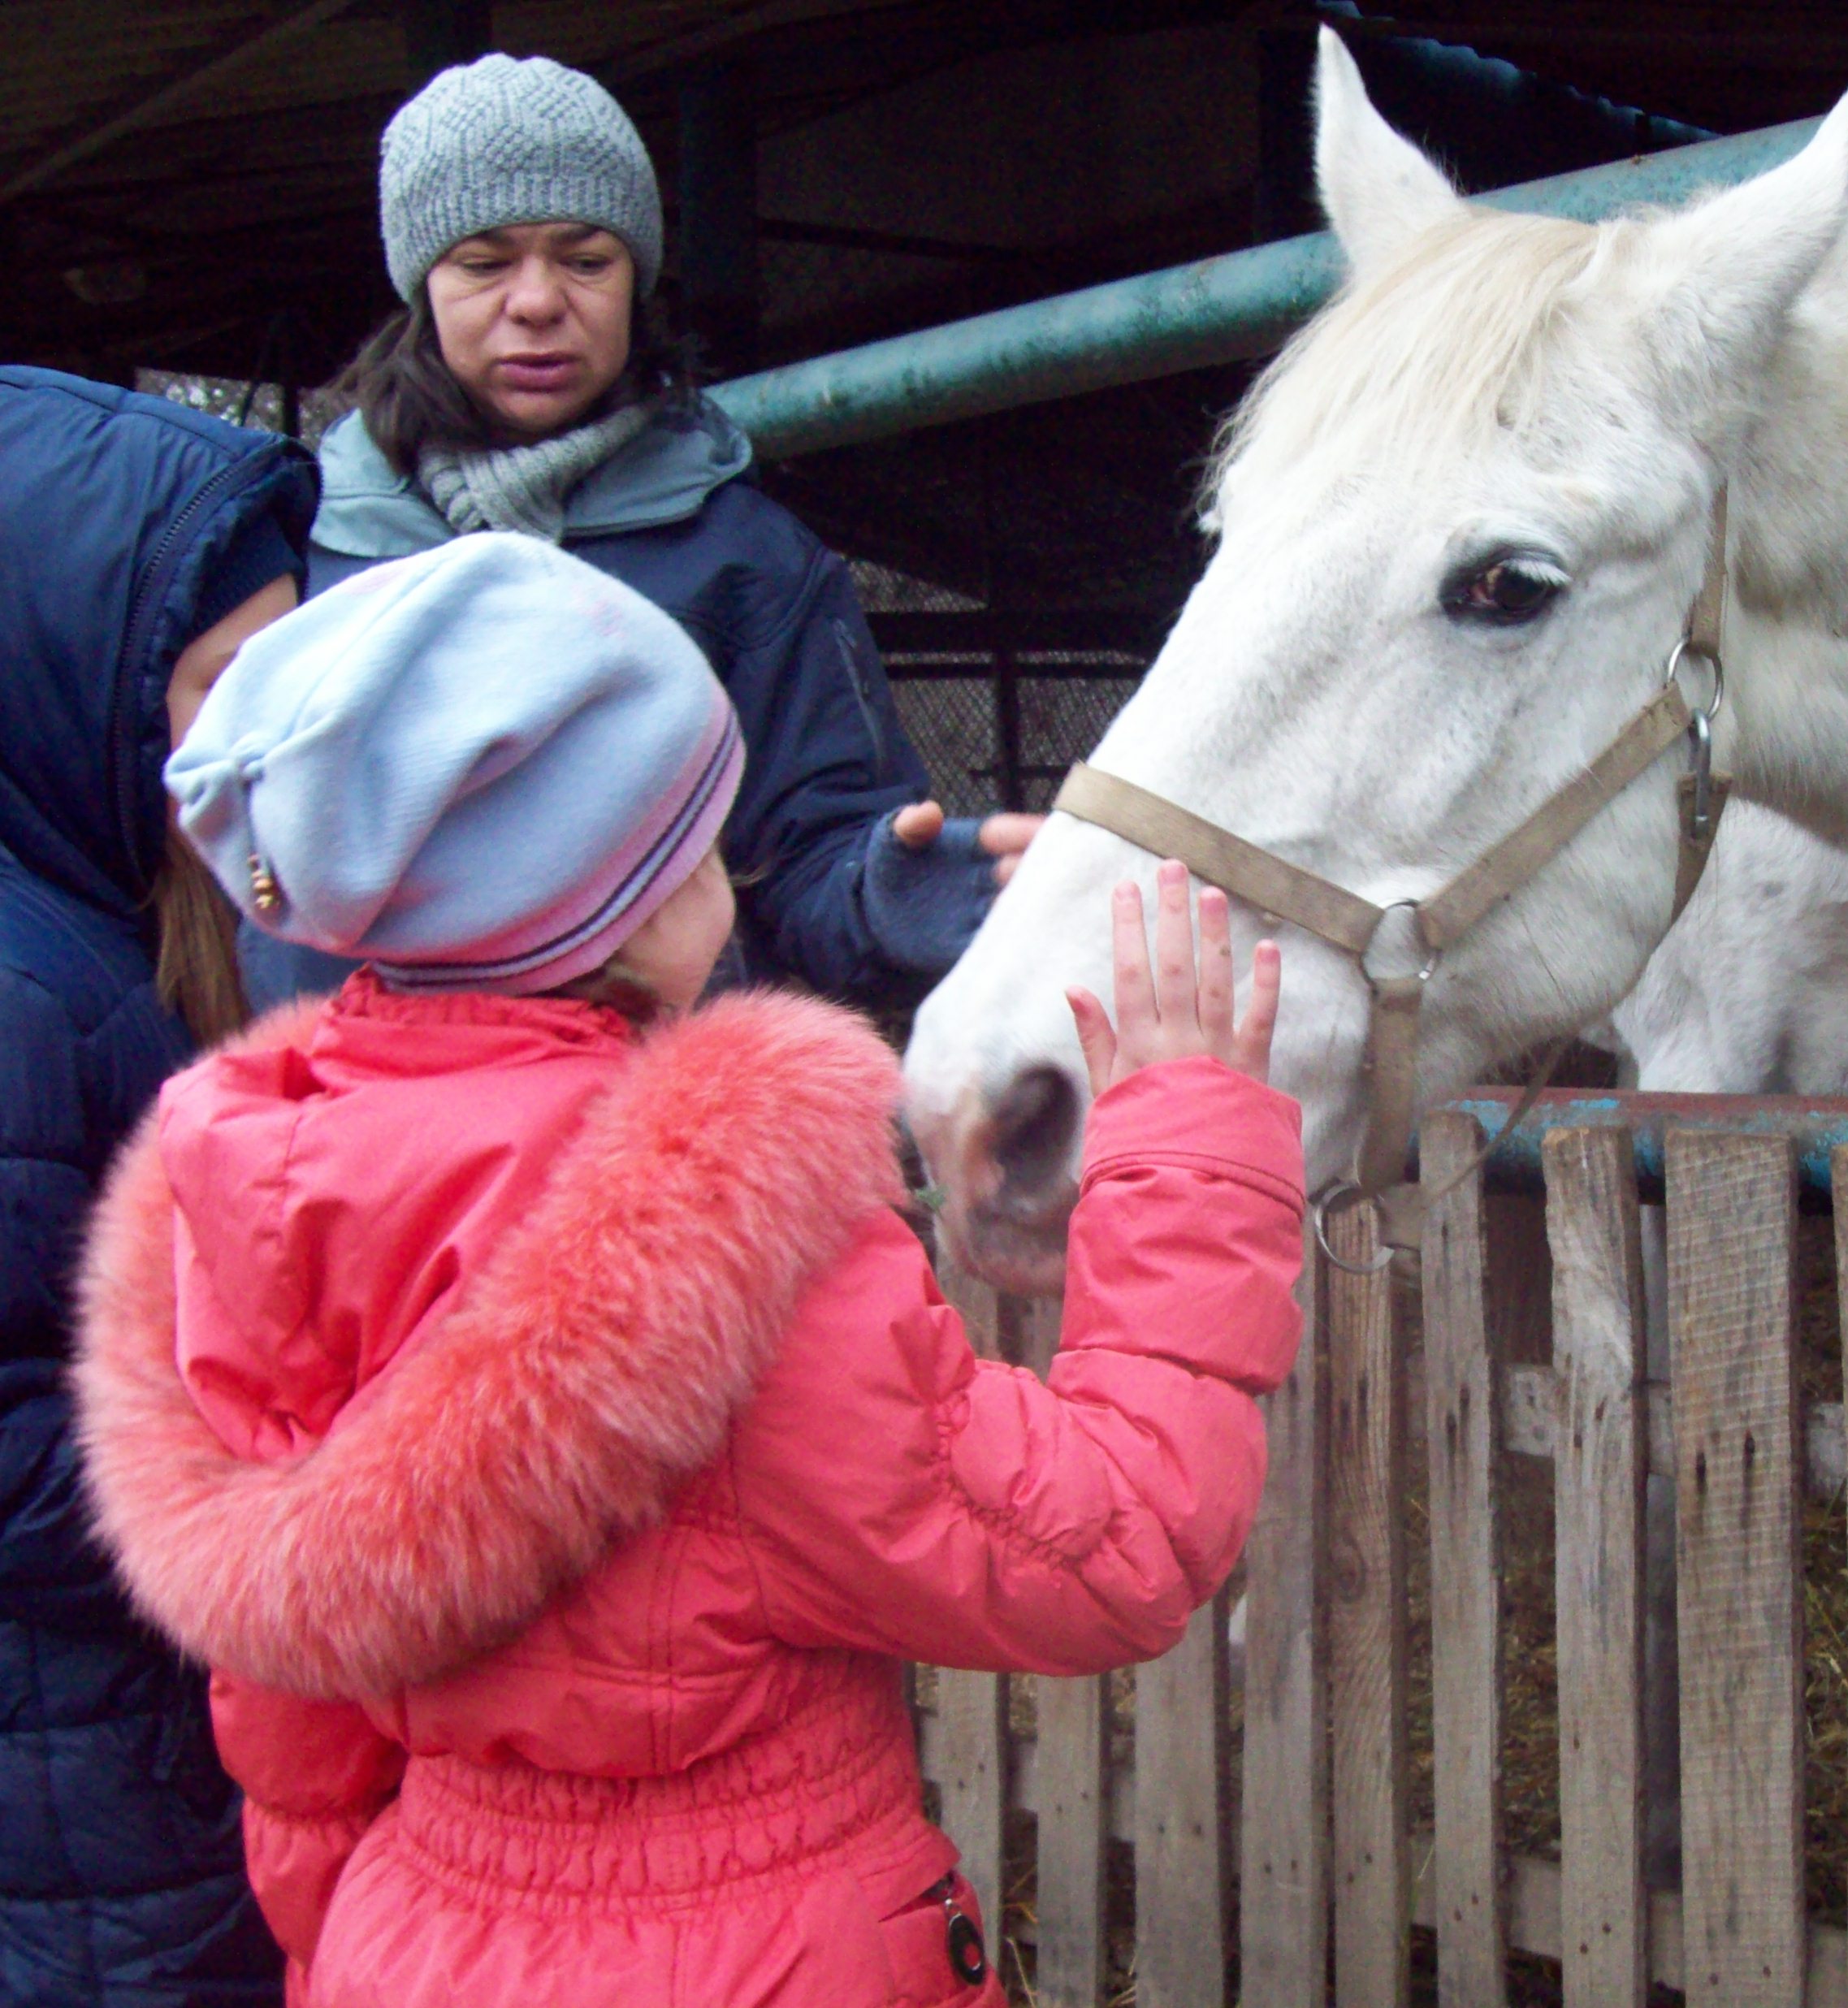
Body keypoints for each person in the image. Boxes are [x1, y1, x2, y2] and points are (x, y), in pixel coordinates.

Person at [75, 534, 1297, 2008]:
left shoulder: (256, 1198)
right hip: (762, 1953)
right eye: (706, 844)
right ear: (641, 902)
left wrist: (357, 1946)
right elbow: (1111, 1547)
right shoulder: (722, 1246)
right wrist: (1191, 1141)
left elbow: (292, 1720)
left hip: (404, 1939)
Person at [246, 52, 1038, 1015]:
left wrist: (889, 893)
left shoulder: (748, 557)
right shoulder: (298, 543)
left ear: (637, 279)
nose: (537, 302)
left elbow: (814, 857)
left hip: (643, 1093)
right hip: (348, 1089)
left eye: (586, 260)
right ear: (421, 285)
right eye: (484, 263)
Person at [0, 365, 314, 2004]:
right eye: (223, 684)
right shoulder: (22, 990)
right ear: (73, 677)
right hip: (75, 1814)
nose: (272, 733)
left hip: (135, 1760)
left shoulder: (115, 905)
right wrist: (307, 1469)